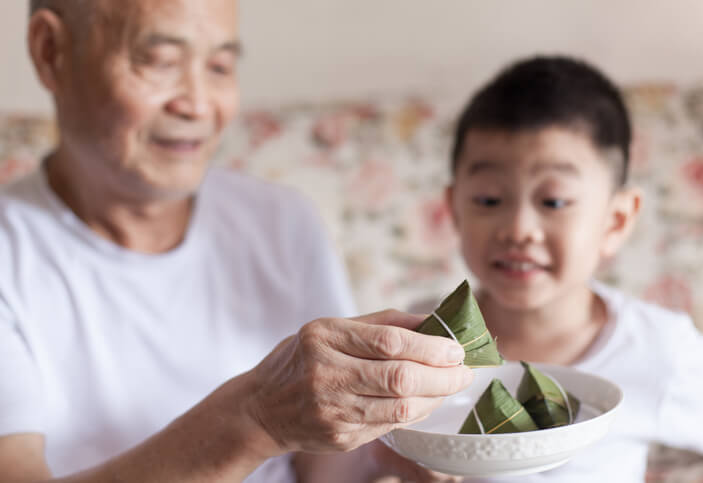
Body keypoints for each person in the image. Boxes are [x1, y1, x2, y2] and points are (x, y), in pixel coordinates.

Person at [0, 1, 473, 482]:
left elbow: (321, 469)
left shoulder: (281, 220)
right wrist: (255, 417)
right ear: (50, 50)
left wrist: (390, 448)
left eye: (220, 66)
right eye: (160, 62)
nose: (200, 104)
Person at [408, 56, 703, 482]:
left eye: (553, 201)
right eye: (488, 200)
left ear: (616, 220)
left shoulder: (660, 350)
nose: (518, 229)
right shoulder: (421, 336)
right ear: (453, 209)